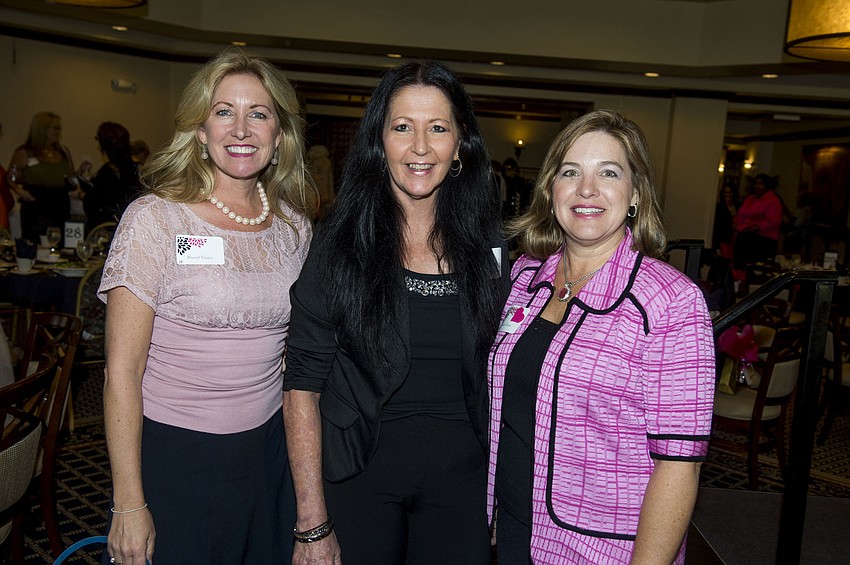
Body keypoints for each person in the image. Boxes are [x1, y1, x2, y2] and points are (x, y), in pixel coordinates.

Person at [283, 61, 508, 565]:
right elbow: (301, 387)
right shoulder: (337, 245)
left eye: (438, 128)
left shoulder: (489, 246)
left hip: (464, 483)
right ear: (379, 140)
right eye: (402, 126)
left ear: (460, 145)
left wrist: (505, 492)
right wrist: (312, 522)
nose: (420, 147)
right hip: (360, 474)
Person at [98, 48, 315, 565]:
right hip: (175, 453)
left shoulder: (295, 227)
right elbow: (121, 371)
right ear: (200, 130)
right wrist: (128, 502)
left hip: (267, 452)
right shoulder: (155, 220)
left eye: (258, 114)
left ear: (279, 135)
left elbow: (295, 356)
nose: (241, 129)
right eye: (223, 112)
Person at [488, 109, 715, 564]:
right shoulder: (524, 278)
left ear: (635, 194)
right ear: (551, 190)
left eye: (608, 173)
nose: (587, 189)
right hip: (512, 530)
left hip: (601, 550)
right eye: (570, 172)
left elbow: (678, 467)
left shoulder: (672, 302)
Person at [6, 112, 90, 241]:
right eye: (54, 128)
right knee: (35, 242)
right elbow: (9, 178)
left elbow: (68, 177)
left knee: (60, 242)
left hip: (60, 204)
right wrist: (20, 192)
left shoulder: (63, 151)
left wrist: (79, 172)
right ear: (42, 129)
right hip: (36, 205)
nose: (58, 132)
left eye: (59, 128)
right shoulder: (24, 152)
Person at [83, 122, 142, 230]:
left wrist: (84, 194)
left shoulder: (108, 172)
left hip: (108, 228)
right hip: (132, 224)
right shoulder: (137, 168)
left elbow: (93, 205)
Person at [732, 173, 783, 269]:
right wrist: (736, 225)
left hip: (762, 239)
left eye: (761, 184)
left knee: (754, 268)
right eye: (756, 184)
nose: (757, 186)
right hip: (744, 236)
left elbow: (773, 221)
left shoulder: (773, 200)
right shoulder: (750, 199)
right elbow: (741, 214)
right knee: (739, 266)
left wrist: (753, 228)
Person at [712, 182, 738, 260]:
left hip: (736, 240)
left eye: (730, 192)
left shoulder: (739, 206)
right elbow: (716, 228)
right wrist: (716, 247)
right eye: (725, 192)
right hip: (724, 240)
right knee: (725, 260)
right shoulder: (719, 207)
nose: (728, 194)